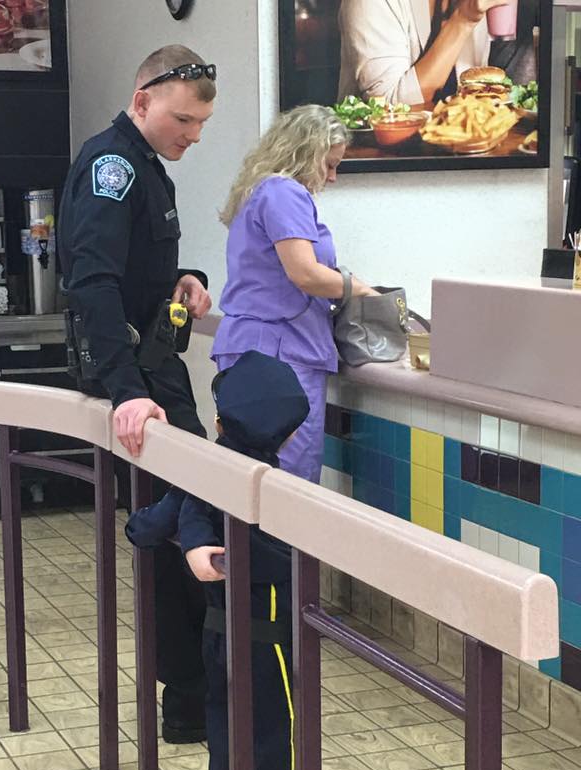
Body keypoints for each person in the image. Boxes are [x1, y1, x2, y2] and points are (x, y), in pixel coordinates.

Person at [57, 45, 217, 744]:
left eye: (201, 124)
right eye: (183, 119)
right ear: (143, 97)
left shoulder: (145, 167)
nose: (193, 135)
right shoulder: (112, 166)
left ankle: (192, 696)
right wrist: (124, 389)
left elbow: (130, 266)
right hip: (140, 379)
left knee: (189, 523)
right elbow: (91, 279)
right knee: (180, 530)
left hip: (154, 368)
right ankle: (188, 699)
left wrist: (178, 279)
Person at [125, 351, 336, 770]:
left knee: (223, 719)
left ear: (218, 423)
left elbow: (144, 528)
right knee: (270, 727)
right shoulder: (275, 489)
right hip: (269, 631)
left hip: (217, 632)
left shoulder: (207, 469)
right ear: (289, 436)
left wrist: (187, 536)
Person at [212, 104, 377, 485]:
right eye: (329, 165)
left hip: (253, 345)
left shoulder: (258, 192)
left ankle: (242, 546)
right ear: (305, 153)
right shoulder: (284, 192)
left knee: (247, 472)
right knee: (290, 478)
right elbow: (304, 273)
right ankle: (280, 549)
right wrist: (359, 289)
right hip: (280, 350)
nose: (332, 178)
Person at [337, 0, 511, 105]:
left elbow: (475, 93)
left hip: (461, 152)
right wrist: (464, 19)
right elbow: (387, 107)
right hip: (381, 155)